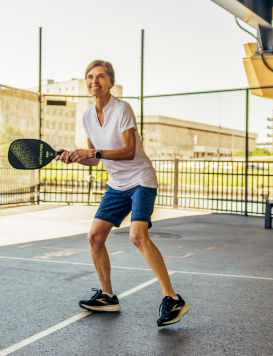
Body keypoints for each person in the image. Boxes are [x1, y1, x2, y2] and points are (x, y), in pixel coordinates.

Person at [57, 60, 189, 328]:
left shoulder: (123, 109)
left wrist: (93, 152)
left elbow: (128, 151)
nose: (95, 81)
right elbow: (95, 160)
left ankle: (173, 299)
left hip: (141, 179)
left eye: (101, 76)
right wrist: (76, 157)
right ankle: (107, 296)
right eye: (90, 77)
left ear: (111, 82)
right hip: (117, 184)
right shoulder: (86, 117)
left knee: (137, 236)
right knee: (94, 237)